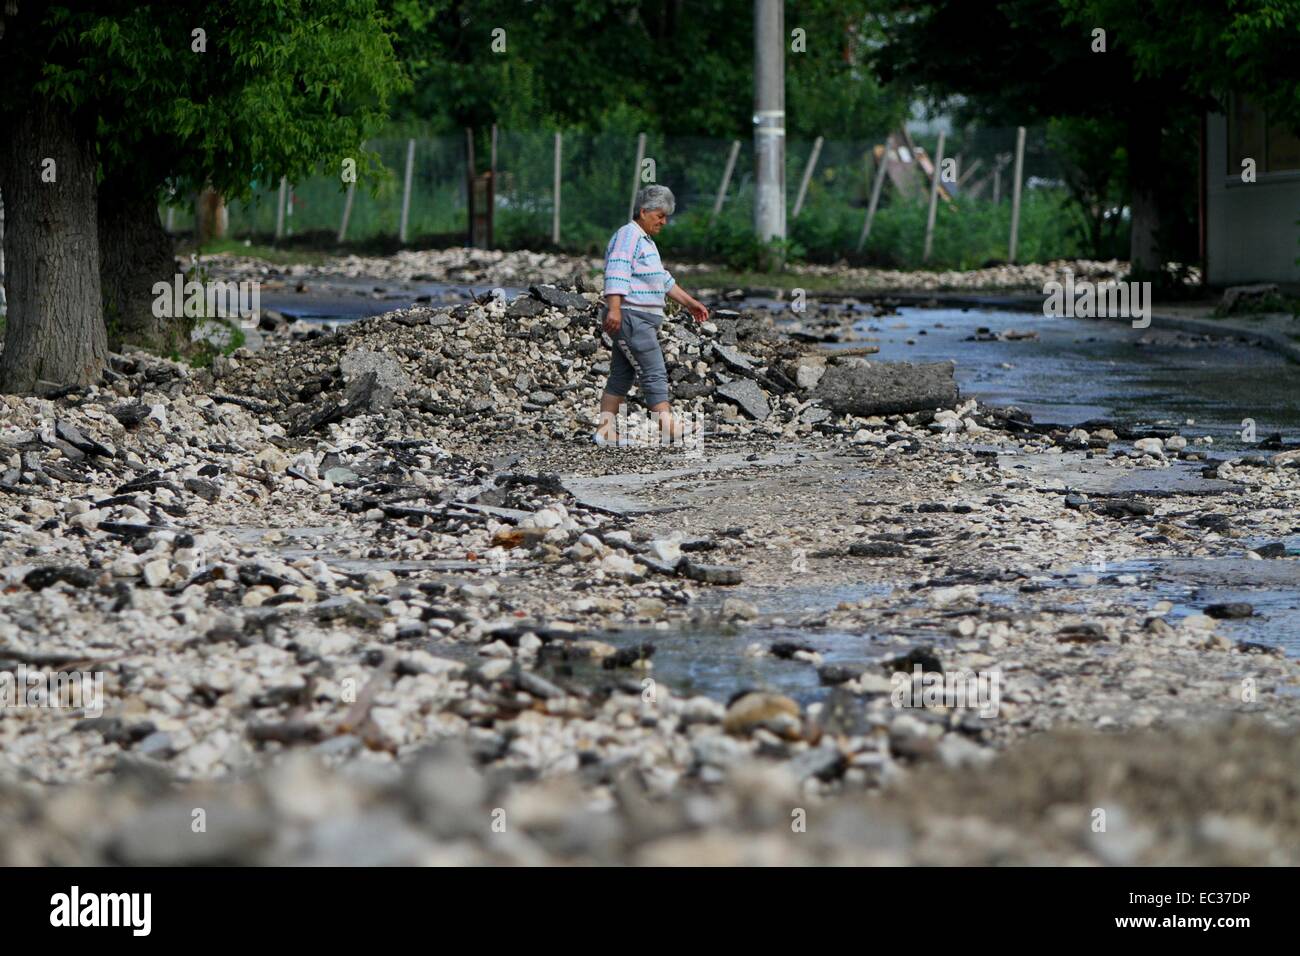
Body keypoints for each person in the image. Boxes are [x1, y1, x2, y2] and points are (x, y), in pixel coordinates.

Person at [594, 184, 709, 445]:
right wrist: (614, 308)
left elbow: (662, 279)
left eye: (666, 216)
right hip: (631, 316)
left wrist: (689, 303)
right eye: (660, 215)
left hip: (636, 318)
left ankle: (604, 431)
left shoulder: (646, 242)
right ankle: (668, 428)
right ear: (644, 212)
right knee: (653, 370)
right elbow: (617, 271)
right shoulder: (628, 236)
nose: (664, 222)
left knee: (621, 375)